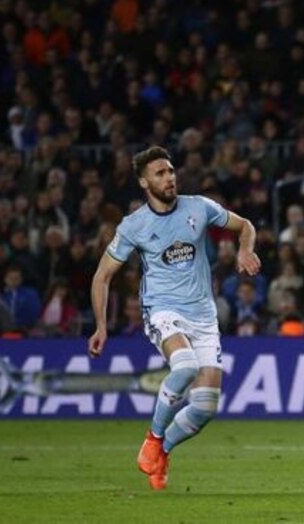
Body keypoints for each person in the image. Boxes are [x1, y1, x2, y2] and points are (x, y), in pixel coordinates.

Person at [88, 146, 261, 490]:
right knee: (184, 368)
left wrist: (245, 248)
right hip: (163, 309)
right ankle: (153, 438)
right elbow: (101, 276)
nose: (169, 178)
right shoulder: (134, 226)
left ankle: (164, 451)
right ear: (143, 182)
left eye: (170, 171)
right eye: (160, 174)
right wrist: (101, 326)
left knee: (205, 407)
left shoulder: (199, 206)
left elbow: (245, 226)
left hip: (204, 315)